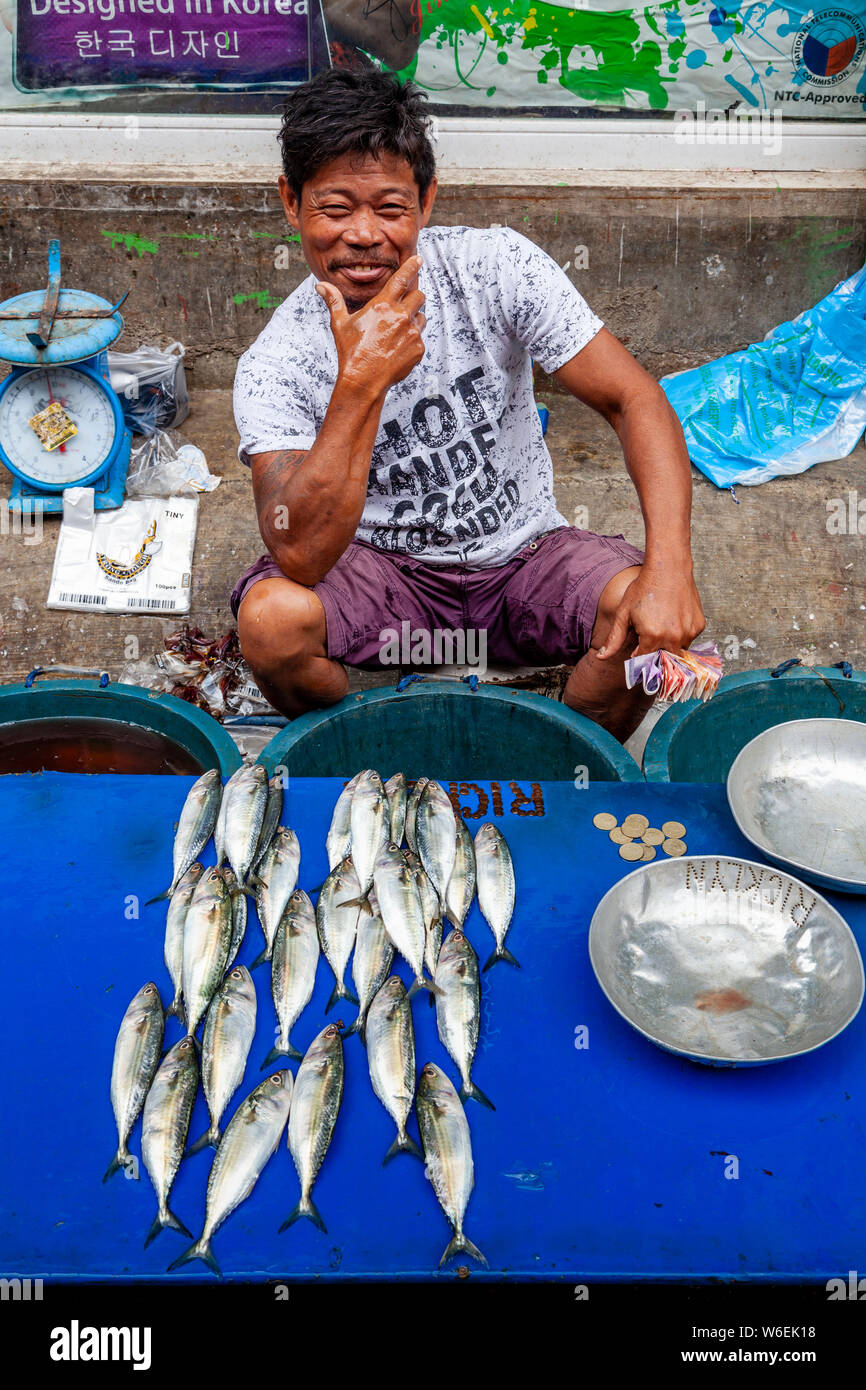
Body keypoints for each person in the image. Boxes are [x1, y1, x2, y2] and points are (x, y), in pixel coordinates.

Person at [231, 67, 706, 742]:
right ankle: (370, 758)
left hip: (524, 560)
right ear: (291, 201)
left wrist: (672, 568)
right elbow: (299, 553)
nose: (364, 235)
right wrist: (362, 382)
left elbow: (634, 397)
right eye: (334, 208)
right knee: (271, 621)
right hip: (383, 579)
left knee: (648, 615)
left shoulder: (496, 267)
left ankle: (562, 759)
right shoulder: (277, 360)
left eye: (390, 208)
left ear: (425, 201)